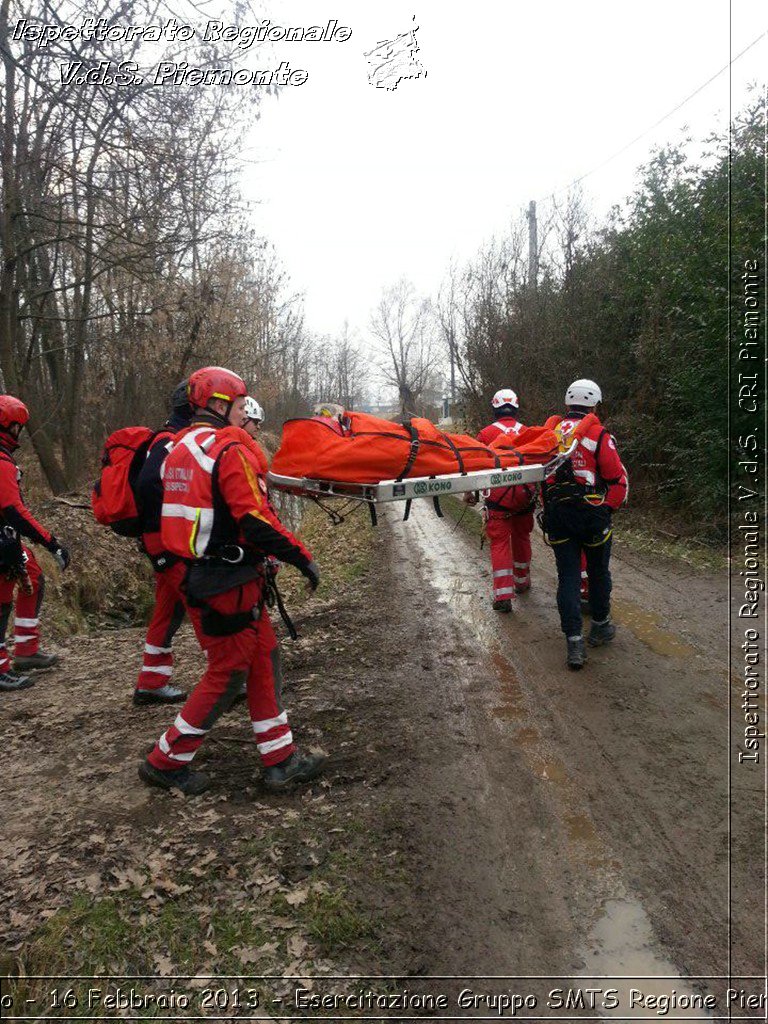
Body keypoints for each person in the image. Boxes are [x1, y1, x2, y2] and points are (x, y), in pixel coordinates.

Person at [139, 366, 326, 795]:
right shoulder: (227, 450)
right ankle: (165, 760)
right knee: (227, 674)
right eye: (242, 406)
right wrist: (302, 558)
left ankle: (281, 759)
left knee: (264, 656)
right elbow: (253, 518)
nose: (245, 415)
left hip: (203, 572)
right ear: (220, 405)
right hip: (227, 579)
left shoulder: (181, 447)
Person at [541, 379, 628, 670]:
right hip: (591, 514)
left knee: (568, 577)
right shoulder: (599, 434)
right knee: (598, 571)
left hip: (558, 514)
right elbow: (617, 480)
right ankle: (601, 625)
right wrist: (607, 509)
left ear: (568, 403)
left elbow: (539, 477)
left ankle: (574, 643)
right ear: (594, 404)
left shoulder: (548, 434)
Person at [0, 395, 69, 690]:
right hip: (3, 537)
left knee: (33, 575)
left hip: (6, 536)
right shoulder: (2, 462)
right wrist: (51, 542)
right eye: (19, 427)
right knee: (1, 601)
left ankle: (26, 650)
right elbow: (14, 511)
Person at [132, 381, 193, 706]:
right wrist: (171, 519)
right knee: (200, 600)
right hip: (165, 540)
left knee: (168, 609)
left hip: (160, 539)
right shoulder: (170, 441)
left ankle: (150, 682)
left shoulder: (171, 438)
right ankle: (230, 676)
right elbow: (148, 484)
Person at [475, 389, 537, 612]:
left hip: (497, 499)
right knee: (522, 537)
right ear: (516, 407)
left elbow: (477, 466)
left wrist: (469, 492)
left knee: (500, 543)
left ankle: (503, 595)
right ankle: (522, 581)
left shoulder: (485, 434)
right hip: (524, 497)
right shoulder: (528, 432)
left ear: (495, 408)